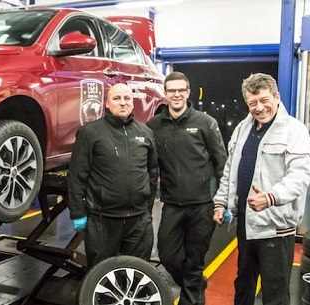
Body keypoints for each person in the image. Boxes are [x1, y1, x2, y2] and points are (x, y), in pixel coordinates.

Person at [213, 73, 310, 305]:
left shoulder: (294, 130)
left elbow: (300, 176)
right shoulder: (241, 129)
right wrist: (221, 203)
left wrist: (271, 197)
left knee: (275, 291)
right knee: (243, 283)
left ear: (276, 97)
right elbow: (231, 171)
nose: (259, 108)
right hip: (246, 224)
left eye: (264, 100)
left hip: (275, 227)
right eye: (252, 103)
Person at [147, 72, 227, 305]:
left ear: (188, 92)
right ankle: (195, 285)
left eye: (181, 90)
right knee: (167, 255)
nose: (177, 95)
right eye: (172, 91)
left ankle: (191, 298)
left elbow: (222, 164)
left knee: (194, 260)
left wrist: (223, 201)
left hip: (202, 206)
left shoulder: (205, 122)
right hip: (172, 205)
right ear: (165, 93)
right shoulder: (154, 126)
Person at [68, 82, 159, 267]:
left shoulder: (146, 133)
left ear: (133, 103)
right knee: (102, 275)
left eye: (127, 98)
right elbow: (77, 176)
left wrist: (147, 210)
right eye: (117, 98)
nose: (123, 103)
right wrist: (78, 213)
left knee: (137, 273)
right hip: (103, 222)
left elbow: (153, 172)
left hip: (138, 222)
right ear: (107, 104)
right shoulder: (90, 133)